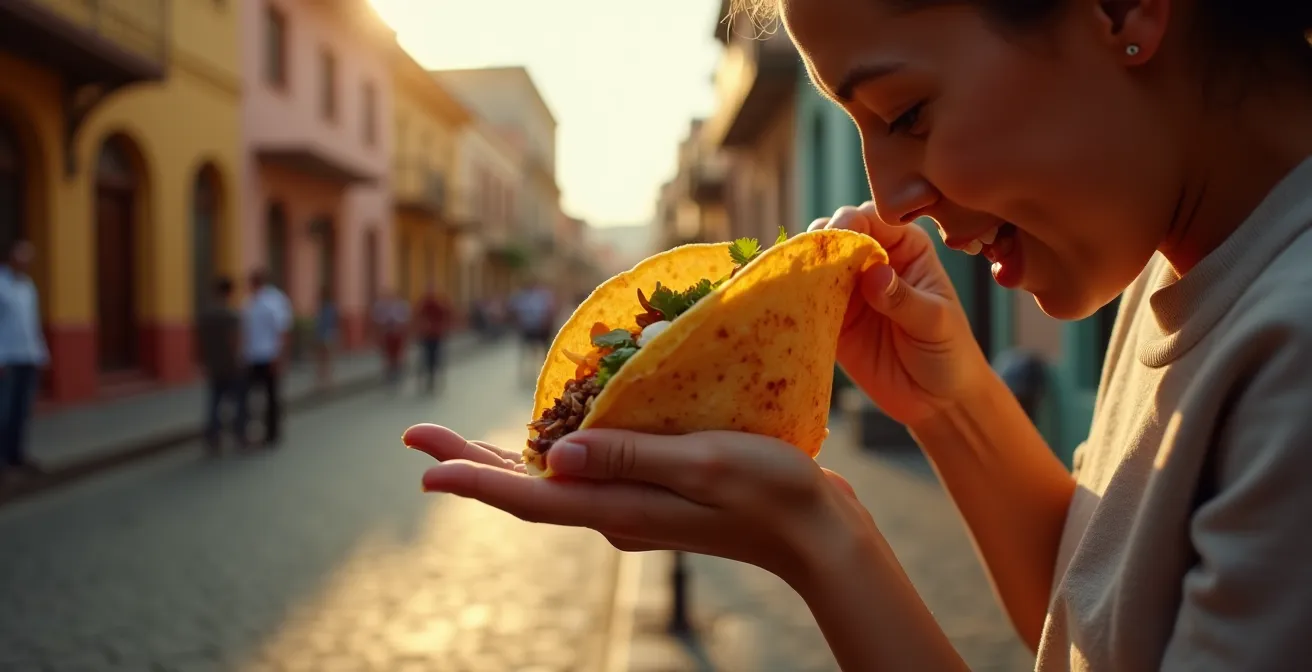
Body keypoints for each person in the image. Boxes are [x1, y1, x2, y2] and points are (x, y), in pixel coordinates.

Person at [403, 1, 1312, 670]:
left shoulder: (1294, 348)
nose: (891, 198)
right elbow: (1096, 624)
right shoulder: (1185, 261)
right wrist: (948, 403)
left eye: (906, 114)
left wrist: (818, 536)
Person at [0, 239, 47, 480]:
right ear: (11, 258)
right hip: (7, 359)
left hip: (29, 356)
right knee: (3, 411)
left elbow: (32, 322)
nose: (27, 263)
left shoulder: (28, 287)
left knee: (22, 411)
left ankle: (17, 457)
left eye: (30, 258)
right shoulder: (1, 285)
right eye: (23, 257)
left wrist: (41, 354)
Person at [236, 269, 291, 448]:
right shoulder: (248, 303)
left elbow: (282, 330)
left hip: (269, 355)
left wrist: (280, 356)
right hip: (252, 356)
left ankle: (272, 434)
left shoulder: (274, 301)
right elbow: (244, 332)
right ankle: (247, 432)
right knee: (248, 396)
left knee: (271, 396)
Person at [196, 276, 243, 455]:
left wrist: (204, 361)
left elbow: (200, 341)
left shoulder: (206, 315)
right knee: (237, 400)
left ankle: (212, 436)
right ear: (229, 292)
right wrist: (238, 359)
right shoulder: (230, 315)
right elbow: (234, 341)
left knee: (214, 401)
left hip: (213, 363)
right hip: (230, 364)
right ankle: (239, 433)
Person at [508, 280, 555, 384]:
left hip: (538, 329)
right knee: (530, 353)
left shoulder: (540, 295)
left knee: (541, 353)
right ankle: (531, 376)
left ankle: (542, 374)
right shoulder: (526, 296)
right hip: (530, 329)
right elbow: (513, 311)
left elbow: (550, 311)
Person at [414, 284, 453, 395]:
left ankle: (433, 378)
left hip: (436, 335)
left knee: (435, 357)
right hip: (426, 335)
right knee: (426, 357)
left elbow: (447, 316)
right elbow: (418, 316)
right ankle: (428, 378)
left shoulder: (439, 304)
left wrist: (444, 329)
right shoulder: (424, 303)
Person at [373, 290, 410, 389]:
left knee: (397, 355)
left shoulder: (401, 306)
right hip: (387, 335)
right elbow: (378, 321)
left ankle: (398, 372)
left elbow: (405, 321)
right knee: (387, 355)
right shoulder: (381, 307)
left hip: (398, 334)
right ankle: (389, 374)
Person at [313, 287, 338, 389]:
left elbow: (330, 323)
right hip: (323, 336)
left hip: (327, 336)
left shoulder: (328, 309)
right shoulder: (322, 308)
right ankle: (323, 381)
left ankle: (327, 381)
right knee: (323, 359)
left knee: (326, 359)